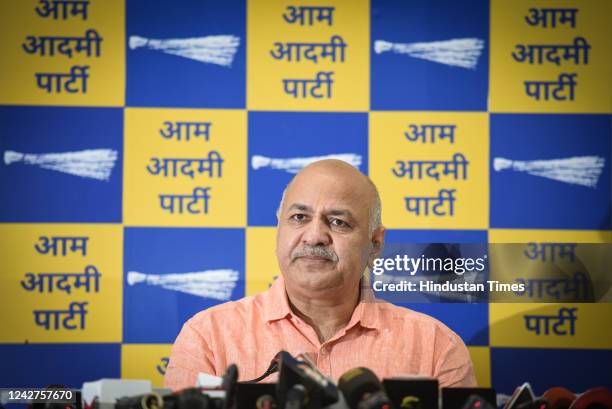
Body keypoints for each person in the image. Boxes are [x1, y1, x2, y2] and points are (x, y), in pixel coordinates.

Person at [164, 159, 476, 389]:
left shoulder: (435, 347)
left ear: (375, 244)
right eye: (299, 217)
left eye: (338, 222)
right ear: (279, 230)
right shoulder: (208, 337)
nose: (314, 236)